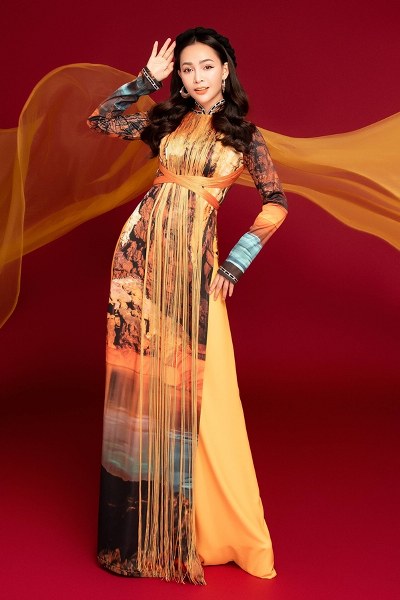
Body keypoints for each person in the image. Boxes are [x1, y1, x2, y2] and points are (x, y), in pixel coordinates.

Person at [87, 26, 288, 585]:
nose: (196, 78)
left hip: (196, 266)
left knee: (206, 390)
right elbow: (101, 120)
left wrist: (235, 263)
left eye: (206, 66)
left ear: (226, 69)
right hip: (139, 258)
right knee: (142, 383)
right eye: (186, 69)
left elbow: (276, 202)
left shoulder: (245, 135)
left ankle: (211, 527)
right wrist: (144, 81)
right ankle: (143, 530)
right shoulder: (167, 120)